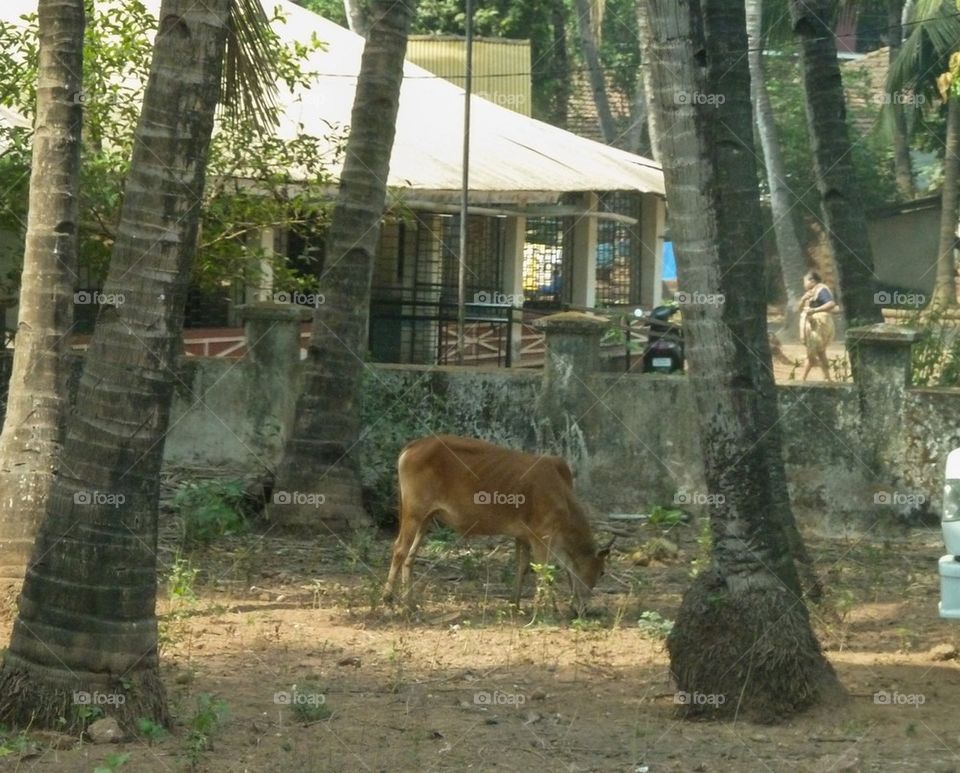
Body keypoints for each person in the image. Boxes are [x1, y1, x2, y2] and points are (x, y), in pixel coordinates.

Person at [798, 270, 838, 381]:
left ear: (812, 281)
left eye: (805, 281)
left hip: (818, 326)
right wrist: (803, 299)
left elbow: (831, 304)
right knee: (821, 352)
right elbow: (798, 308)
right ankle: (827, 378)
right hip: (813, 325)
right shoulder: (810, 293)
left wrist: (815, 310)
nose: (804, 284)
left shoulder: (821, 290)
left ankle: (802, 379)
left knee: (811, 354)